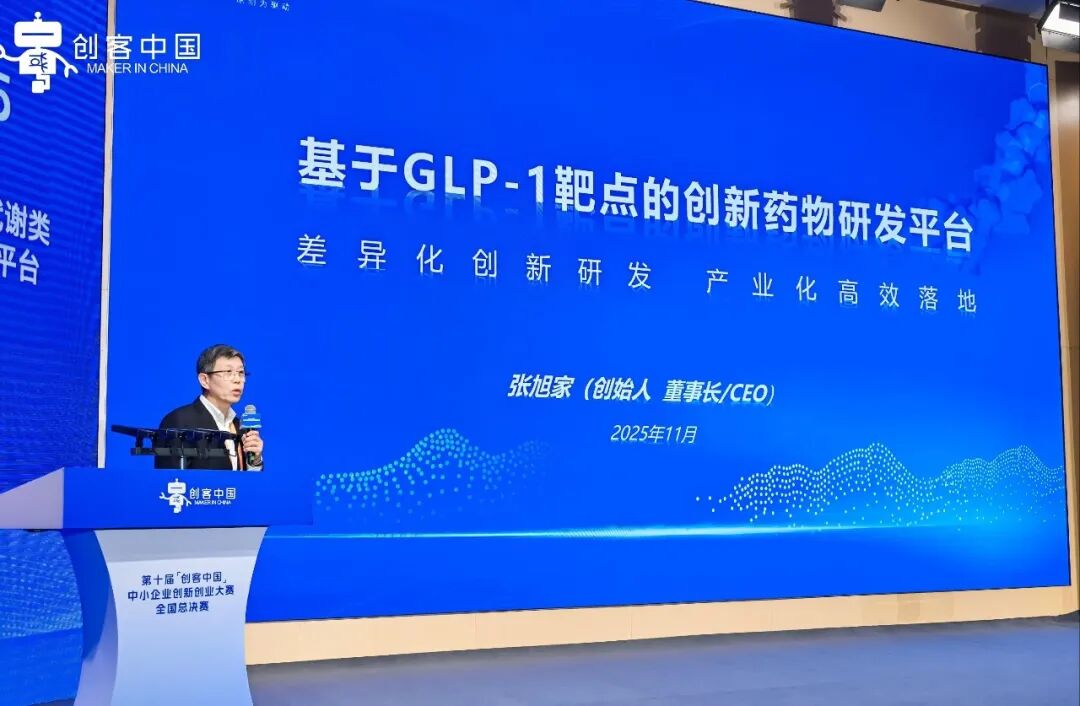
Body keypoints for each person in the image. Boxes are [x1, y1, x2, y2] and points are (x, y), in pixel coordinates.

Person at [155, 344, 264, 470]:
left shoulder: (240, 427)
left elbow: (243, 481)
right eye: (228, 372)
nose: (237, 380)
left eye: (241, 372)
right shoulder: (179, 421)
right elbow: (171, 478)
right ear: (205, 380)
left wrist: (255, 461)